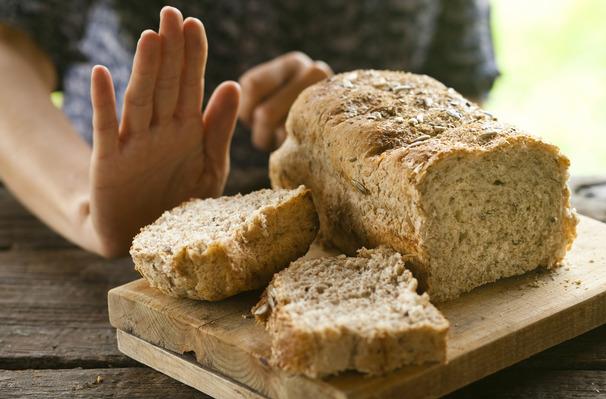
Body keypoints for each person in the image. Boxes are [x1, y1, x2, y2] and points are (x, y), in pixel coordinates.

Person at [0, 1, 498, 257]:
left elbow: (458, 95)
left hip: (358, 242)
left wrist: (344, 125)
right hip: (90, 238)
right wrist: (83, 203)